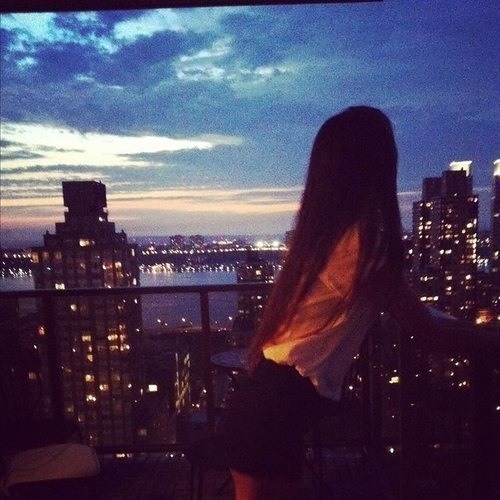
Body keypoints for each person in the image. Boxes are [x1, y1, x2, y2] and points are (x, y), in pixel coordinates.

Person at [222, 106, 499, 500]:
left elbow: (416, 316)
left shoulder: (323, 237)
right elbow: (426, 329)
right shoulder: (363, 242)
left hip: (262, 403)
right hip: (276, 413)